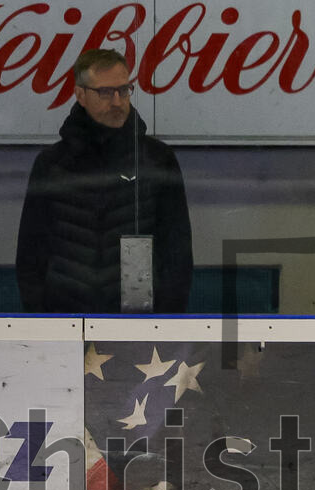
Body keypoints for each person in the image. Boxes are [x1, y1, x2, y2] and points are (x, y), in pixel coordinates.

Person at [16, 49, 192, 313]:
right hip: (65, 319)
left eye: (124, 90)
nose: (118, 101)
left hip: (139, 321)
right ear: (80, 95)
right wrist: (43, 321)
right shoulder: (52, 164)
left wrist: (164, 325)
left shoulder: (156, 159)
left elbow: (177, 251)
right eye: (106, 92)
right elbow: (31, 253)